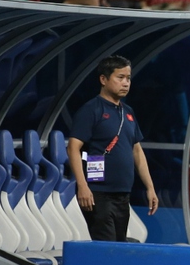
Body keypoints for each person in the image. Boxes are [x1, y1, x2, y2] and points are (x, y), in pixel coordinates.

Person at [67, 55, 158, 241]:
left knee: (118, 245)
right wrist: (83, 187)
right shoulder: (91, 109)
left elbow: (137, 151)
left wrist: (150, 187)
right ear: (103, 79)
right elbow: (73, 148)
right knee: (106, 246)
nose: (126, 83)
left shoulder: (128, 112)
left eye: (128, 78)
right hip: (98, 193)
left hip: (123, 194)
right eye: (120, 77)